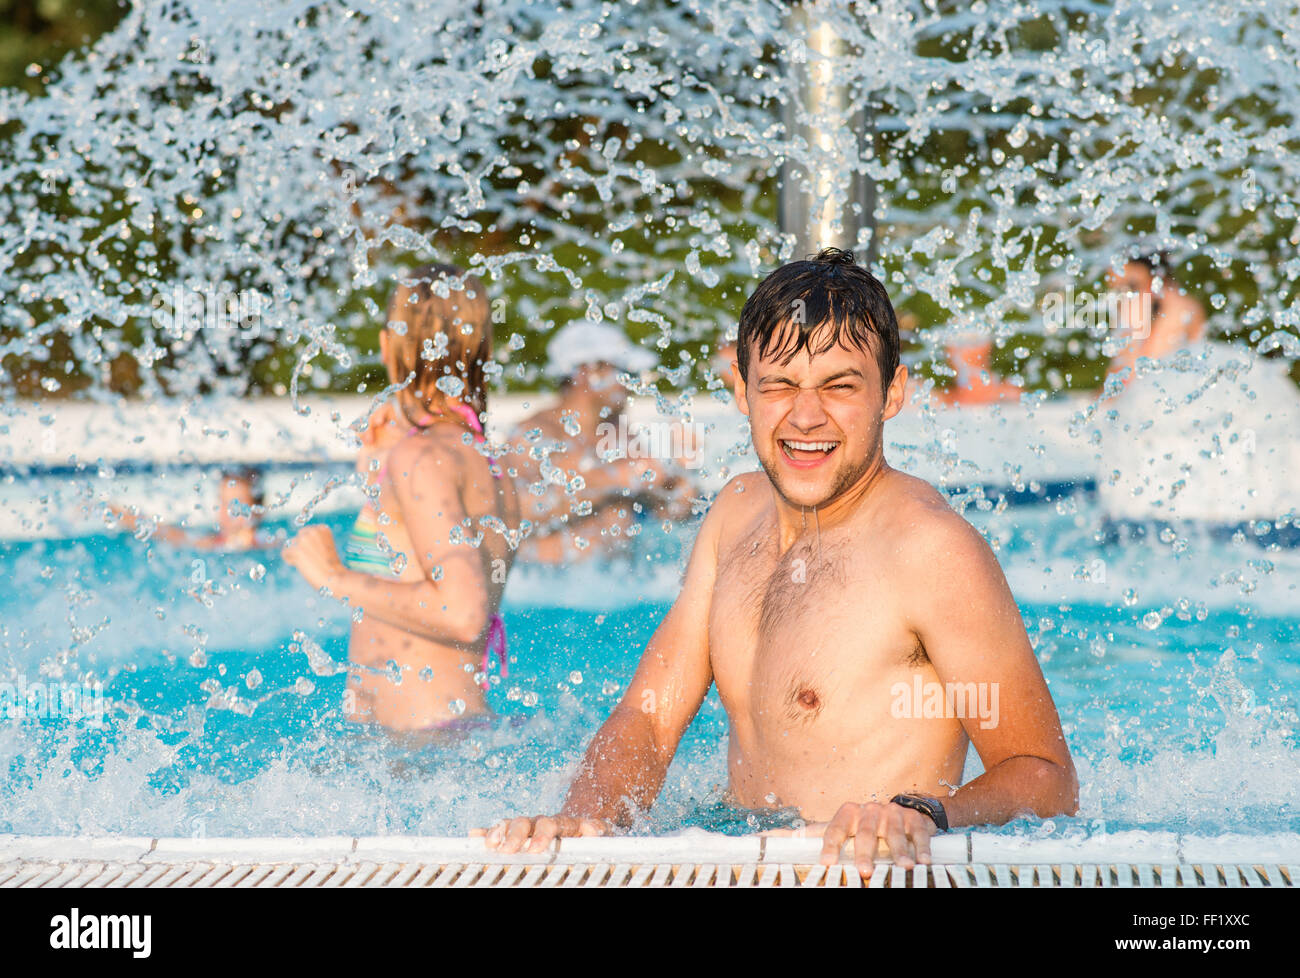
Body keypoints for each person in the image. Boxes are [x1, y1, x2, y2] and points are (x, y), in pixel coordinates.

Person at [481, 248, 1077, 876]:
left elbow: (1045, 777)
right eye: (780, 385)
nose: (806, 415)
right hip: (745, 859)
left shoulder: (930, 550)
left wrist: (919, 811)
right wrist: (588, 817)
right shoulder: (735, 515)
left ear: (893, 392)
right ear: (742, 390)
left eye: (840, 386)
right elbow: (648, 718)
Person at [282, 263, 521, 732]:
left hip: (423, 751)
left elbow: (462, 612)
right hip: (446, 740)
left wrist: (334, 576)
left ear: (387, 344)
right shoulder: (487, 461)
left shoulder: (422, 458)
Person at [508, 320, 695, 564]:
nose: (632, 385)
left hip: (616, 587)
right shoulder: (535, 434)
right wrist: (612, 479)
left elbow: (663, 511)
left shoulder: (618, 432)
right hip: (546, 585)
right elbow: (512, 514)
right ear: (589, 373)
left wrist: (675, 491)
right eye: (627, 374)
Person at [107, 466, 272, 550]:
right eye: (223, 502)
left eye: (236, 504)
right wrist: (108, 510)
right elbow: (159, 530)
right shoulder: (210, 544)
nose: (227, 512)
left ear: (257, 510)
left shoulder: (268, 547)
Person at [1104, 253, 1207, 386]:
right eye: (1115, 292)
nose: (1120, 303)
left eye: (1131, 287)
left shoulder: (1178, 309)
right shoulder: (1128, 333)